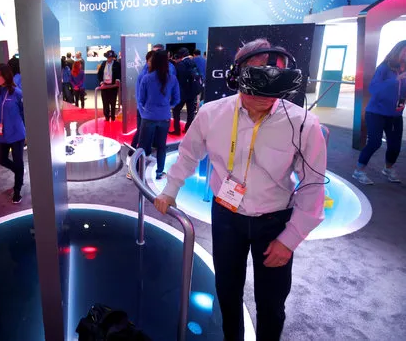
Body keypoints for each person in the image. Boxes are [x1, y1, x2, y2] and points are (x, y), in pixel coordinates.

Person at [154, 39, 327, 341]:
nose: (264, 95)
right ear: (236, 76)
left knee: (271, 304)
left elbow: (312, 186)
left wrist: (290, 239)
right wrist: (170, 190)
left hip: (275, 222)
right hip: (226, 217)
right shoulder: (211, 114)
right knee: (227, 292)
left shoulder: (303, 124)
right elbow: (187, 155)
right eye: (256, 78)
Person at [353, 40, 406, 184]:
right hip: (376, 113)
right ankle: (359, 171)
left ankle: (388, 169)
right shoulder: (384, 68)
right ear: (399, 50)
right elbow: (374, 89)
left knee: (395, 146)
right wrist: (396, 80)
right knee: (375, 142)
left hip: (396, 115)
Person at [137, 50, 180, 179]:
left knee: (143, 146)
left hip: (148, 117)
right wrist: (167, 106)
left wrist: (146, 110)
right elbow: (177, 99)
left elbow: (141, 99)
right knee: (161, 147)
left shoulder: (146, 78)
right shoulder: (172, 78)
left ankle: (139, 172)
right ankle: (159, 173)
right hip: (164, 117)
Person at [0, 63, 26, 204]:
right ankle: (19, 172)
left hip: (17, 134)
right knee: (1, 159)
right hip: (1, 134)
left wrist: (27, 133)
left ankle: (17, 189)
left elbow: (24, 113)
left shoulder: (17, 93)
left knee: (18, 161)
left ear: (6, 75)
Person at [127, 51, 155, 179]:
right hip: (144, 110)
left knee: (147, 133)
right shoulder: (144, 75)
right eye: (152, 60)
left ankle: (146, 154)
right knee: (141, 134)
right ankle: (131, 157)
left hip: (152, 111)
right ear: (148, 61)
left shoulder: (154, 74)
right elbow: (140, 96)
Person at [170, 48, 201, 135]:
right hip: (193, 91)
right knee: (190, 112)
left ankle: (177, 130)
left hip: (183, 92)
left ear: (181, 55)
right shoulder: (193, 62)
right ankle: (188, 129)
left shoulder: (180, 65)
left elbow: (178, 80)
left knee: (176, 111)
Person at [97, 50, 121, 122]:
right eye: (108, 57)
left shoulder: (117, 64)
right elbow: (99, 74)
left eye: (110, 57)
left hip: (113, 87)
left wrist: (117, 80)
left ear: (113, 57)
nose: (109, 58)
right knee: (105, 102)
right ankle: (106, 117)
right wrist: (101, 82)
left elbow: (119, 74)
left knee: (113, 103)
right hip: (104, 86)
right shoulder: (104, 63)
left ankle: (113, 117)